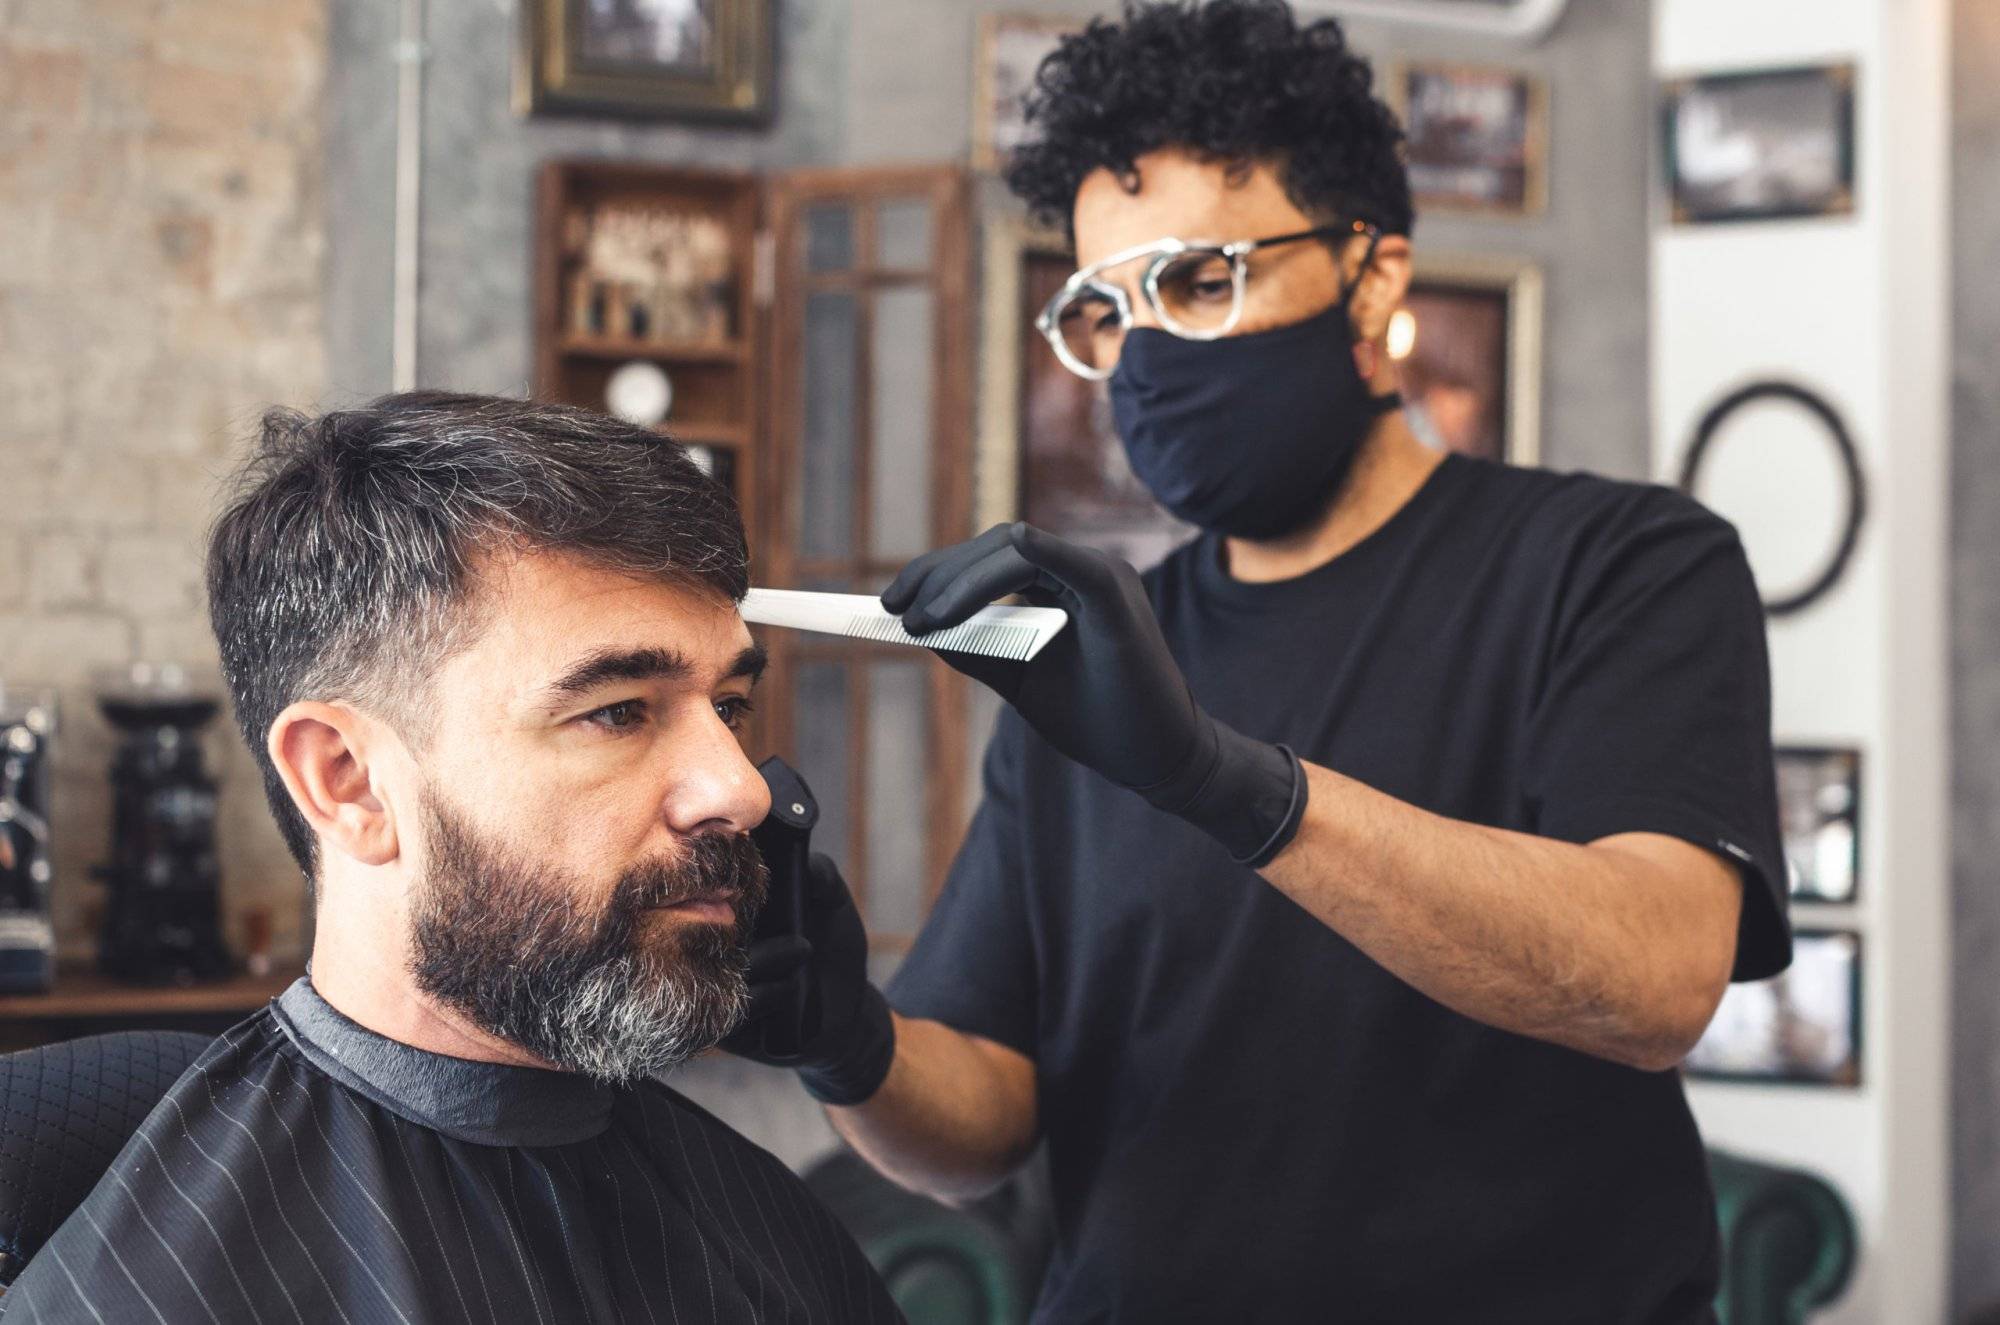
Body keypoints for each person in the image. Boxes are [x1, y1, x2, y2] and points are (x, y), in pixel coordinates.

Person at [723, 4, 1790, 1321]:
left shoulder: (1619, 564)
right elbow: (989, 1119)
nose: (1149, 349)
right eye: (1105, 307)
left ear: (1374, 271)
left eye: (1199, 279)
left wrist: (1219, 780)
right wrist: (850, 1041)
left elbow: (1654, 979)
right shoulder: (1081, 663)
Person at [3, 393, 902, 1324]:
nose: (742, 790)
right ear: (348, 782)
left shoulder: (772, 1230)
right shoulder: (147, 1294)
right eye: (618, 710)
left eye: (729, 708)